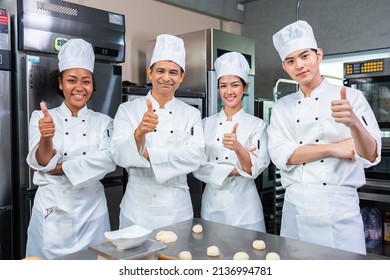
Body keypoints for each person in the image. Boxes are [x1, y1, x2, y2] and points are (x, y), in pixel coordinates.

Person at [268, 20, 382, 254]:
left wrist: (354, 123)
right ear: (284, 66)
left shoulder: (352, 97)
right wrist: (333, 148)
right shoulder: (282, 107)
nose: (299, 65)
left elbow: (371, 154)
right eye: (291, 61)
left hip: (338, 209)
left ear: (318, 55)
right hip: (296, 209)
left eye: (304, 56)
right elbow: (281, 155)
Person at [25, 39, 116, 259]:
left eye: (86, 81)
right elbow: (42, 163)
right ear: (60, 83)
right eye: (71, 80)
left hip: (92, 210)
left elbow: (109, 161)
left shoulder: (105, 122)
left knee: (94, 265)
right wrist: (46, 138)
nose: (79, 88)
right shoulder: (42, 117)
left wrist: (59, 168)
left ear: (92, 85)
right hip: (55, 209)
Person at [111, 34, 205, 230]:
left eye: (173, 72)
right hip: (137, 209)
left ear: (181, 77)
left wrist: (147, 154)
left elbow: (195, 157)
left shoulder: (191, 114)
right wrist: (139, 133)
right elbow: (118, 156)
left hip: (176, 208)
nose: (166, 78)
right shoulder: (128, 110)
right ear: (150, 73)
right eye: (160, 71)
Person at [193, 52, 270, 231]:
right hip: (212, 206)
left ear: (245, 87)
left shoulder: (257, 125)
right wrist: (238, 168)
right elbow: (197, 165)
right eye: (223, 86)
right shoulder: (205, 124)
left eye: (235, 85)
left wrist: (237, 148)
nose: (229, 91)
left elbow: (254, 169)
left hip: (245, 209)